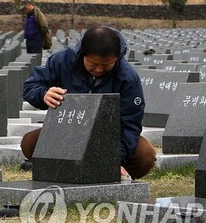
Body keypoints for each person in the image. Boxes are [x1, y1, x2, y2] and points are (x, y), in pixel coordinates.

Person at [21, 25, 156, 180]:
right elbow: (30, 87)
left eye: (106, 65)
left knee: (145, 155)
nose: (98, 70)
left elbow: (129, 124)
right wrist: (43, 94)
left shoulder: (127, 77)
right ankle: (65, 172)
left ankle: (110, 174)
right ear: (83, 54)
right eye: (93, 64)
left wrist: (112, 161)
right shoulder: (62, 61)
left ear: (116, 58)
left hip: (109, 137)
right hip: (69, 130)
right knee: (30, 142)